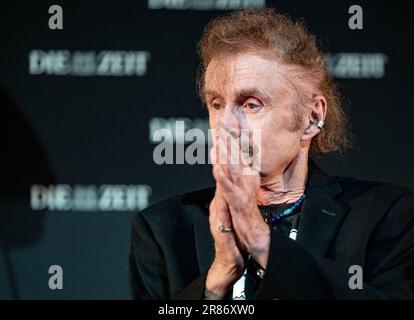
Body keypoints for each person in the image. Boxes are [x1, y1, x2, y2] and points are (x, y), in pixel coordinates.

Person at [128, 8, 414, 300]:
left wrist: (260, 241)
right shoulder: (164, 231)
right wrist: (216, 282)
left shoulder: (386, 218)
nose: (225, 124)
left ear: (311, 117)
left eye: (251, 104)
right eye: (216, 104)